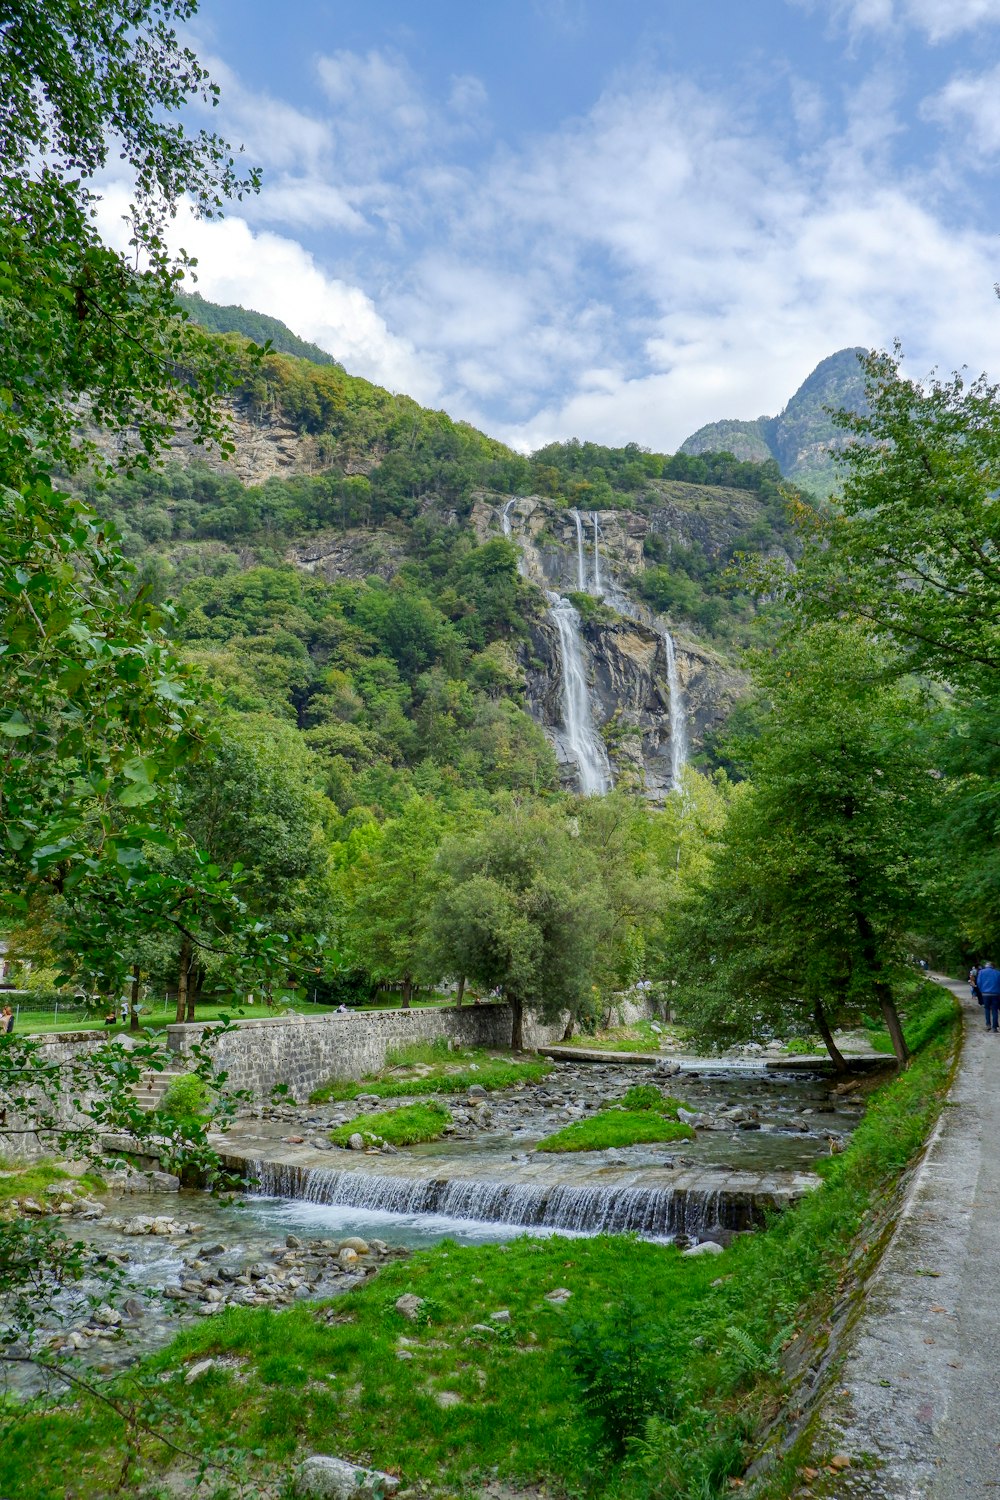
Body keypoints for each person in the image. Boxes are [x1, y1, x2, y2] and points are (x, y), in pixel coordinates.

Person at [977, 960, 1000, 1032]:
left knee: (987, 1009)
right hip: (996, 994)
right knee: (995, 1010)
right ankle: (994, 1028)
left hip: (985, 994)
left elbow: (979, 982)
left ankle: (988, 1025)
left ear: (986, 966)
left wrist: (982, 990)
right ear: (993, 966)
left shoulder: (981, 972)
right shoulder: (998, 972)